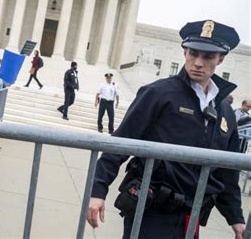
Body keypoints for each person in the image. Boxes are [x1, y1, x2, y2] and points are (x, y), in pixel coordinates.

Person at [87, 20, 246, 239]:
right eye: (193, 54)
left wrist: (236, 218)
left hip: (191, 215)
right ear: (185, 53)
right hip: (151, 210)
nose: (198, 63)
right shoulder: (159, 94)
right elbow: (121, 142)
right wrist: (97, 191)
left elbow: (227, 171)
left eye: (208, 57)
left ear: (221, 59)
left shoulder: (225, 112)